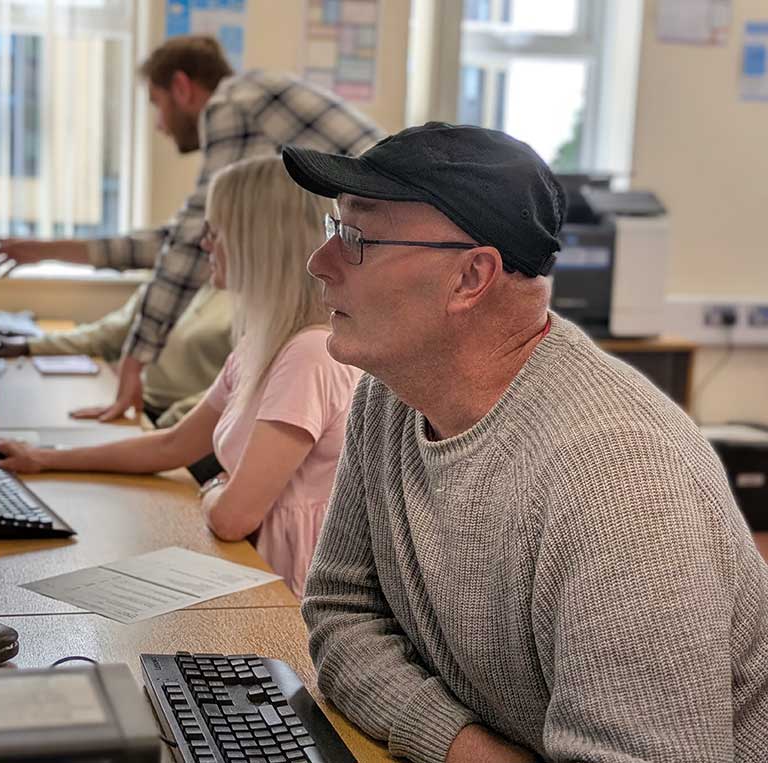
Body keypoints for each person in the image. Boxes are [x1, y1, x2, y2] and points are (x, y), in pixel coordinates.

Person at [281, 123, 768, 762]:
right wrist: (462, 747)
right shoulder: (394, 394)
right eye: (332, 227)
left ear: (471, 276)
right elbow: (342, 615)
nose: (321, 262)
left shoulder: (622, 481)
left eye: (357, 238)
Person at [0, 156, 361, 597]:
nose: (206, 245)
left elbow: (232, 518)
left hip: (282, 597)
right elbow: (173, 444)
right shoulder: (261, 344)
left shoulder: (308, 355)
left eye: (216, 232)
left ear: (255, 242)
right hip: (245, 570)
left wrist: (212, 488)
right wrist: (44, 459)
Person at [0, 35, 383, 422]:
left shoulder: (231, 102)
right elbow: (183, 241)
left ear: (181, 86)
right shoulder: (259, 105)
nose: (160, 125)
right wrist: (48, 250)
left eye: (157, 105)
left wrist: (136, 357)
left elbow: (192, 243)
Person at [0, 282, 232, 429]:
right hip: (141, 410)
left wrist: (166, 425)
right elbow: (106, 335)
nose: (204, 242)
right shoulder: (172, 283)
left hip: (185, 424)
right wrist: (29, 346)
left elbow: (239, 389)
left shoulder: (254, 304)